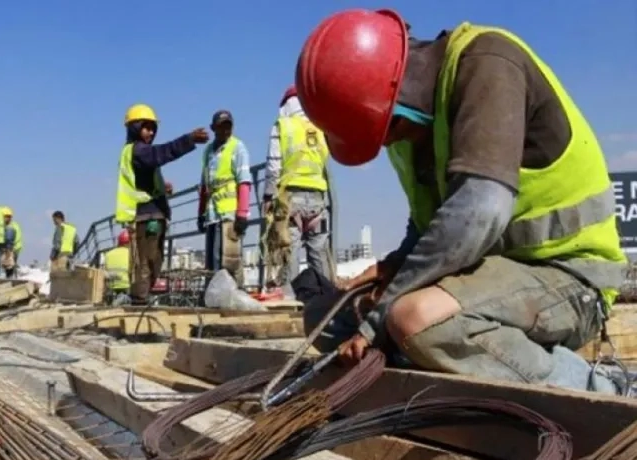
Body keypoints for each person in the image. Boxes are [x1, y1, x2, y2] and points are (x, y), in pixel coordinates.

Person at [296, 10, 628, 394]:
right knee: (326, 317)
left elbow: (477, 212)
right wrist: (394, 267)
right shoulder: (408, 127)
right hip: (489, 273)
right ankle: (445, 355)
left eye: (386, 132)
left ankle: (602, 389)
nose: (387, 143)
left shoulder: (488, 65)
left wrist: (382, 315)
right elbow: (427, 224)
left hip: (568, 278)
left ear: (394, 102)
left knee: (415, 320)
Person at [114, 103, 209, 304]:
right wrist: (188, 140)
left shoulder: (137, 152)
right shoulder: (138, 151)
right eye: (145, 127)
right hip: (144, 215)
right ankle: (140, 301)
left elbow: (142, 179)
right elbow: (162, 153)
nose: (149, 132)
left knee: (154, 260)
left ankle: (141, 297)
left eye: (152, 128)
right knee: (146, 262)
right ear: (134, 128)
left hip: (152, 213)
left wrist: (161, 188)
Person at [262, 86, 334, 298]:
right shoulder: (321, 127)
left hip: (290, 199)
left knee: (287, 249)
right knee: (319, 252)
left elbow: (274, 165)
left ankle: (291, 300)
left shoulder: (282, 126)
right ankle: (328, 300)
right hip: (318, 200)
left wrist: (268, 195)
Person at [197, 110, 252, 286]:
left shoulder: (237, 147)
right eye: (221, 127)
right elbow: (204, 186)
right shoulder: (208, 152)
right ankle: (212, 295)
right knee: (212, 260)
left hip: (229, 215)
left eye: (228, 126)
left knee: (228, 260)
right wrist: (201, 212)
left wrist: (242, 213)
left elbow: (244, 181)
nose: (226, 131)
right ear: (214, 128)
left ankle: (229, 295)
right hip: (212, 214)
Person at [105, 230, 131, 298]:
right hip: (126, 286)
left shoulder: (108, 254)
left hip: (112, 286)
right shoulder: (131, 254)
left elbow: (105, 272)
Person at [3, 207, 22, 278]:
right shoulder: (15, 224)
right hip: (16, 248)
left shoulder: (10, 227)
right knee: (11, 267)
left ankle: (10, 280)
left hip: (12, 249)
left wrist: (8, 250)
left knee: (9, 267)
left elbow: (9, 240)